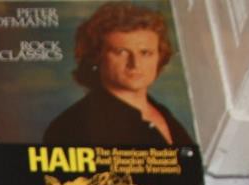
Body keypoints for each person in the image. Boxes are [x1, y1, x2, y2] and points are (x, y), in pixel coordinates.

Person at [43, 2, 194, 146]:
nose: (135, 64)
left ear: (159, 57)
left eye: (145, 53)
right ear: (96, 56)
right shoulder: (71, 126)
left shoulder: (163, 113)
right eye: (121, 52)